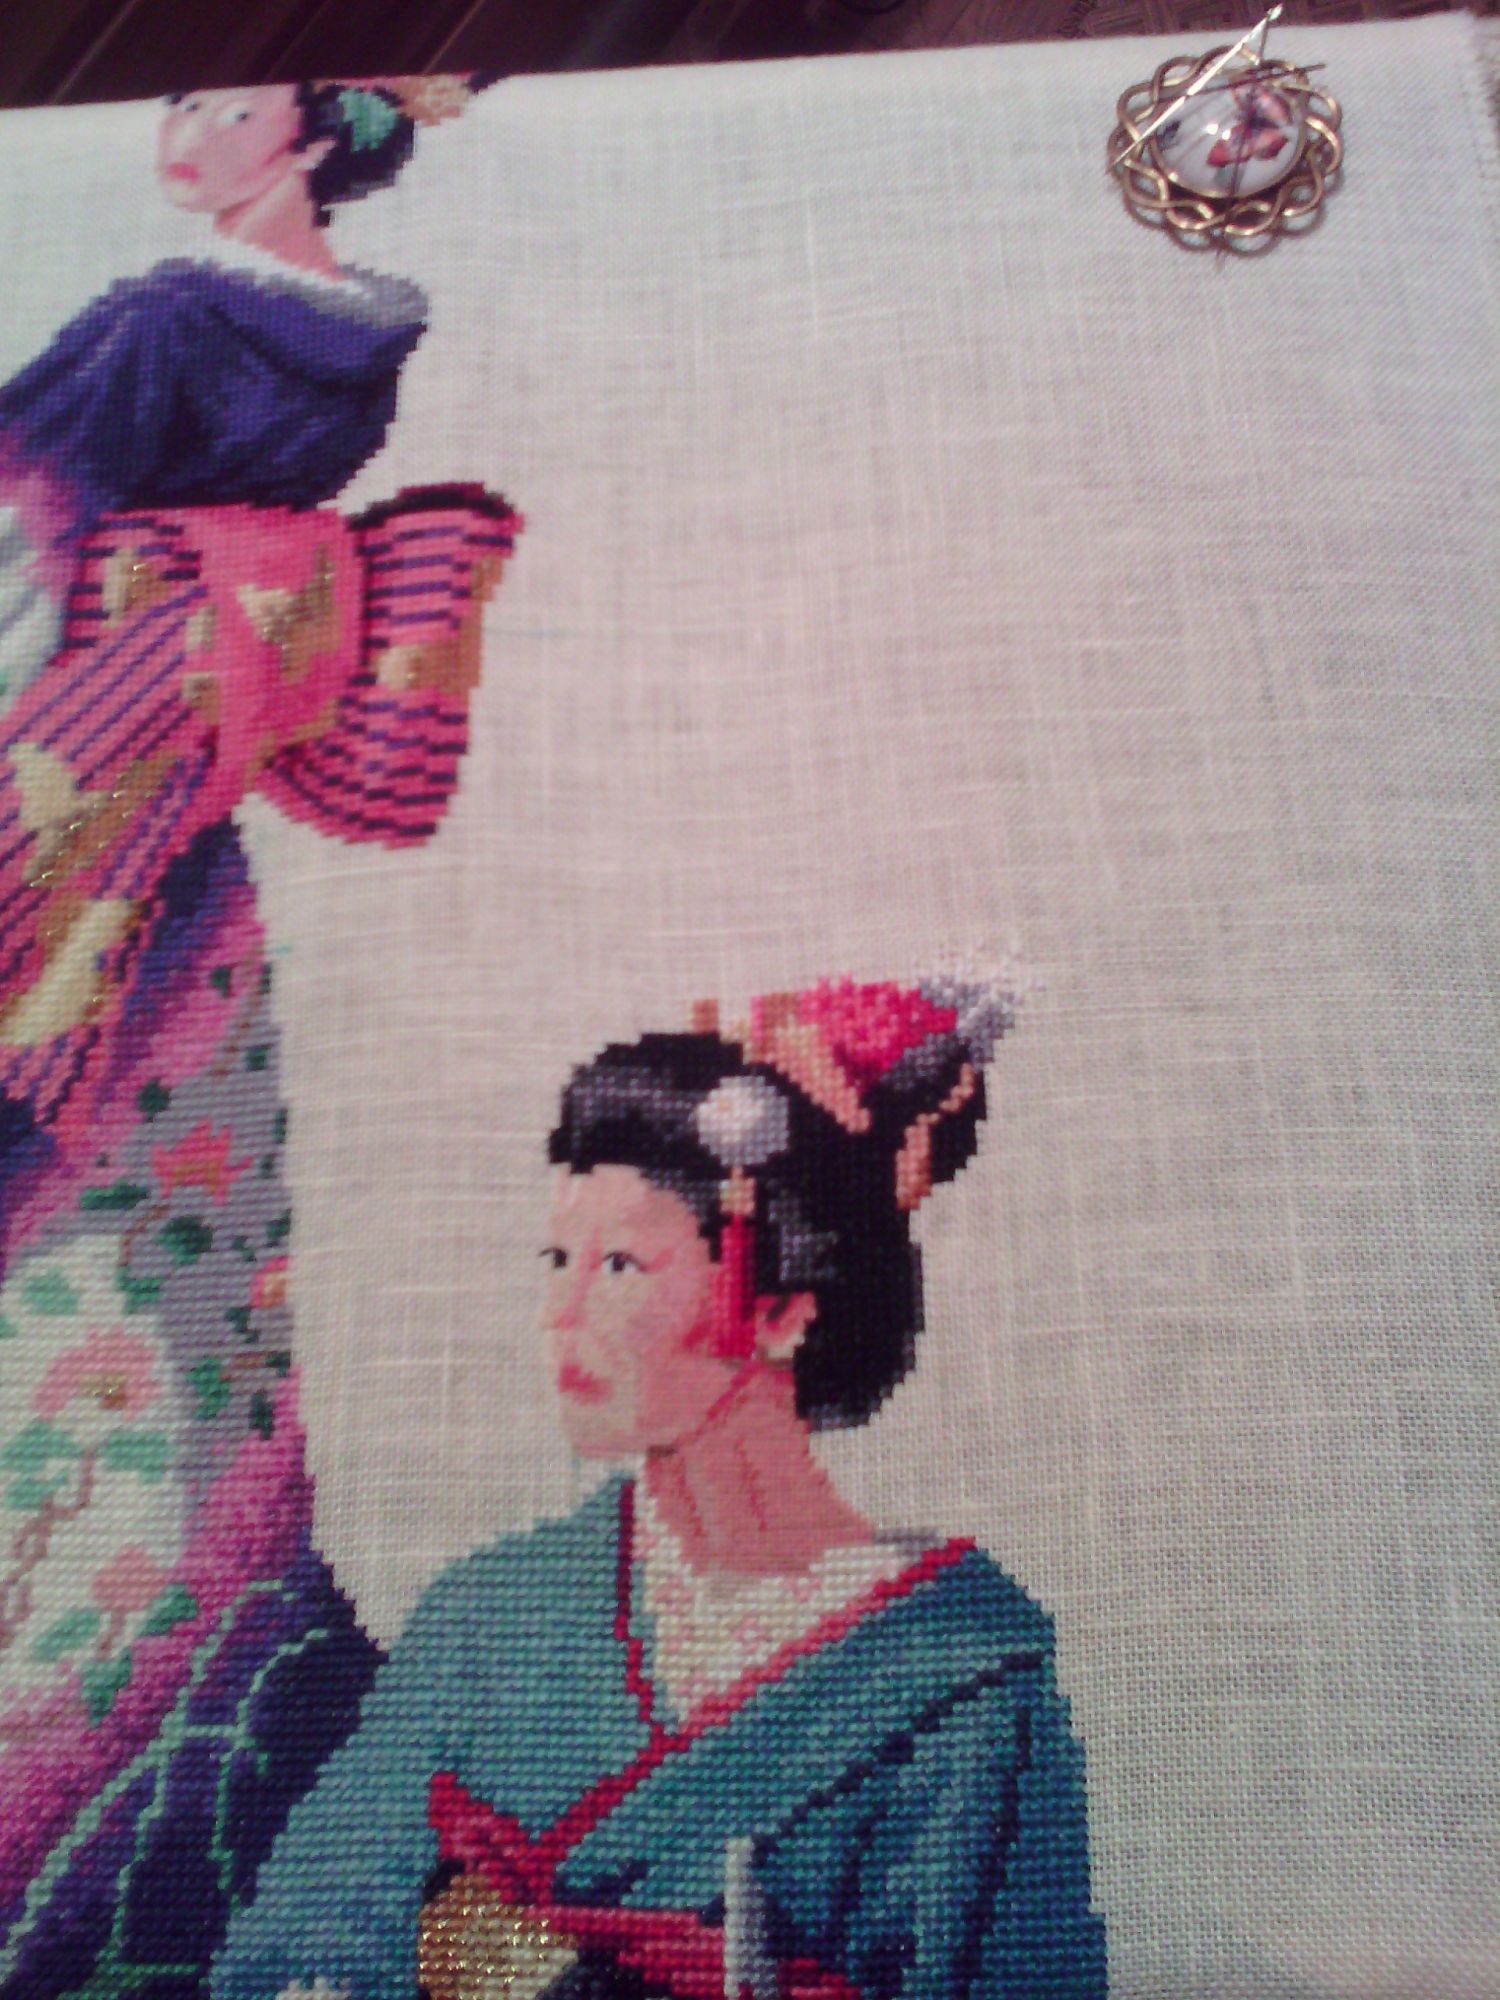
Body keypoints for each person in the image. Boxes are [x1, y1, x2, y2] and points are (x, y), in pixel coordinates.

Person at [0, 81, 517, 1994]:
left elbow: (18, 539)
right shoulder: (368, 335)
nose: (173, 137)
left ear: (302, 132)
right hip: (172, 822)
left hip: (82, 793)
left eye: (215, 104)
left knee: (100, 1210)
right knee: (170, 1219)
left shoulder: (160, 316)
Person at [214, 977, 1107, 2000]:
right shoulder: (487, 1617)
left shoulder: (964, 1681)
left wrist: (535, 1973)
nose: (560, 1310)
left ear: (779, 1310)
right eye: (559, 1257)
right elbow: (306, 1935)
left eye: (621, 1266)